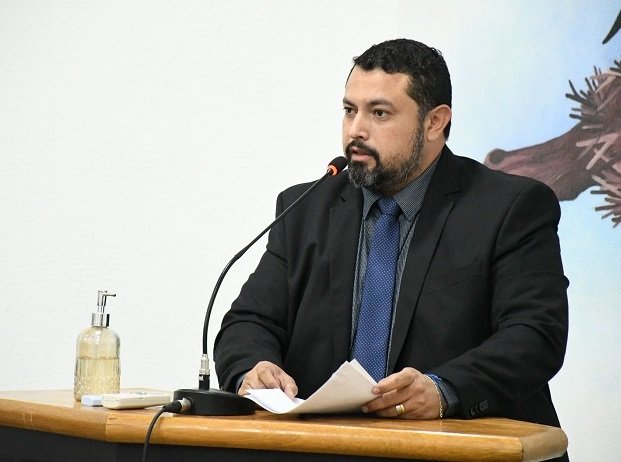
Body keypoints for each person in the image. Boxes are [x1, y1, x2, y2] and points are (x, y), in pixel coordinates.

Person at [214, 38, 569, 461]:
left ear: (435, 122)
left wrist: (443, 390)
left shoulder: (509, 208)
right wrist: (253, 368)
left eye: (379, 113)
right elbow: (248, 322)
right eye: (350, 110)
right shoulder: (305, 208)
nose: (355, 131)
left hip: (463, 452)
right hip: (327, 451)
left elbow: (534, 335)